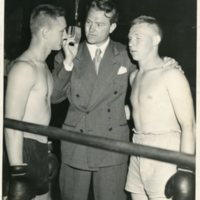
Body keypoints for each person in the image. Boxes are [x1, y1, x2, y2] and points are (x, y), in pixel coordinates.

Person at [52, 1, 180, 199]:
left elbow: (148, 77)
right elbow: (54, 97)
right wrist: (68, 61)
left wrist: (167, 63)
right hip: (76, 141)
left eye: (100, 24)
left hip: (112, 144)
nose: (91, 29)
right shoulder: (68, 53)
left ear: (112, 27)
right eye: (88, 22)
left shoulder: (126, 54)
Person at [125, 15, 195, 200]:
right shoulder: (134, 77)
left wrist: (185, 169)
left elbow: (189, 125)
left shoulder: (171, 75)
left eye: (138, 38)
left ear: (156, 40)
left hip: (165, 151)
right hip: (137, 146)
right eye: (130, 38)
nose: (132, 43)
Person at [5, 4, 67, 200]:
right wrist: (17, 171)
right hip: (23, 149)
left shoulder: (43, 68)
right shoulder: (24, 68)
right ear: (45, 32)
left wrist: (46, 146)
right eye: (62, 30)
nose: (65, 36)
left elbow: (42, 110)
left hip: (40, 148)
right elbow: (11, 123)